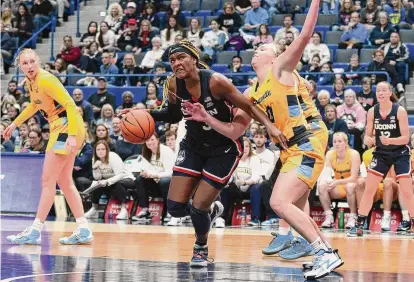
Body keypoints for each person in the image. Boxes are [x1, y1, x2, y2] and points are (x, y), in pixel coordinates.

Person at [122, 39, 279, 267]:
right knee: (175, 208)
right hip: (193, 145)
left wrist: (270, 126)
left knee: (197, 207)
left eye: (180, 58)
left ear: (194, 59)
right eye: (172, 60)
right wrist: (142, 113)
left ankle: (201, 247)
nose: (176, 63)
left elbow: (248, 106)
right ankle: (210, 209)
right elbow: (173, 115)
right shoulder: (174, 84)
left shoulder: (216, 82)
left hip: (223, 149)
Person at [3, 48, 93, 245]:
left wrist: (70, 136)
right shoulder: (30, 82)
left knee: (47, 181)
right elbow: (34, 105)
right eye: (25, 63)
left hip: (66, 127)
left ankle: (35, 230)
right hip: (64, 128)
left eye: (32, 61)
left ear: (38, 61)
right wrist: (14, 124)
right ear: (20, 66)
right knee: (64, 181)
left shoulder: (46, 79)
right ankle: (84, 228)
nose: (29, 66)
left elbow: (70, 104)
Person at [348, 81, 414, 237]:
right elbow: (368, 135)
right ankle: (359, 224)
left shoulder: (400, 111)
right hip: (381, 153)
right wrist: (367, 140)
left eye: (384, 90)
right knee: (369, 188)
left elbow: (405, 138)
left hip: (400, 153)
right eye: (378, 91)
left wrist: (390, 141)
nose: (381, 93)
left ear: (390, 92)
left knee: (406, 190)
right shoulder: (372, 111)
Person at [318, 132, 360, 228]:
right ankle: (329, 217)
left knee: (350, 186)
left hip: (352, 185)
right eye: (334, 141)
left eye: (340, 141)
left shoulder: (354, 154)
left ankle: (353, 216)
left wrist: (336, 182)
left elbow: (353, 178)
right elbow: (328, 174)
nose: (337, 144)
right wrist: (329, 182)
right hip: (339, 186)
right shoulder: (329, 154)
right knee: (322, 186)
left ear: (346, 143)